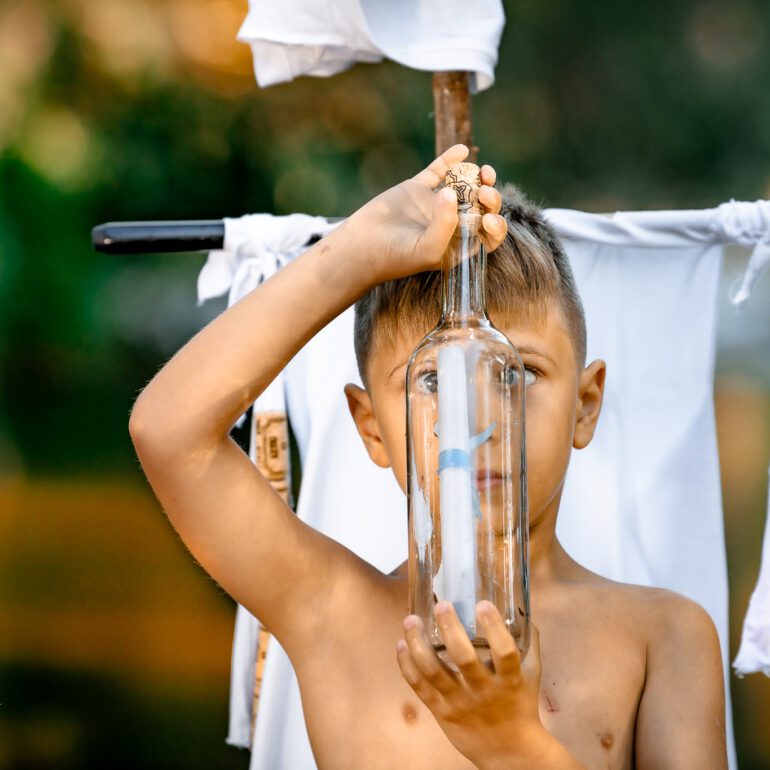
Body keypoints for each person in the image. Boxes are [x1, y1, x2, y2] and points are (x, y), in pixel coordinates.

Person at [129, 145, 727, 769]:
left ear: (585, 404)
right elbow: (168, 431)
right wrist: (358, 251)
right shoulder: (332, 613)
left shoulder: (664, 637)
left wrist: (512, 745)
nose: (478, 423)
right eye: (434, 382)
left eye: (516, 374)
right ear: (373, 429)